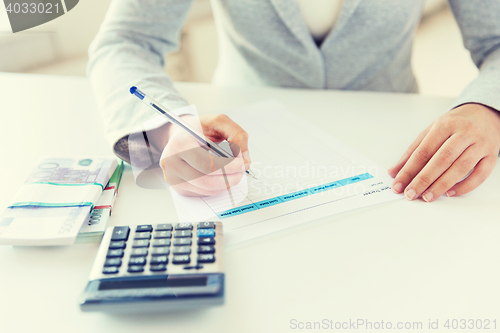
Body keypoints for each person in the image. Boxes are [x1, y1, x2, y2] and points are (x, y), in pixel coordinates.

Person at [87, 0, 500, 202]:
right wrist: (170, 124)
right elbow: (126, 41)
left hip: (394, 147)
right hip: (240, 148)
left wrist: (487, 106)